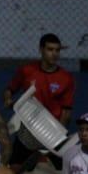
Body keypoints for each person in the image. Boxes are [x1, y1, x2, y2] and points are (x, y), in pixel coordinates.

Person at [4, 33, 74, 165]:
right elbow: (9, 90)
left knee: (61, 170)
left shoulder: (66, 78)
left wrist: (59, 137)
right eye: (50, 49)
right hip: (27, 130)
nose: (54, 54)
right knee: (14, 167)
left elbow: (66, 112)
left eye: (57, 50)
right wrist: (8, 100)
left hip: (51, 133)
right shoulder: (26, 71)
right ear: (41, 50)